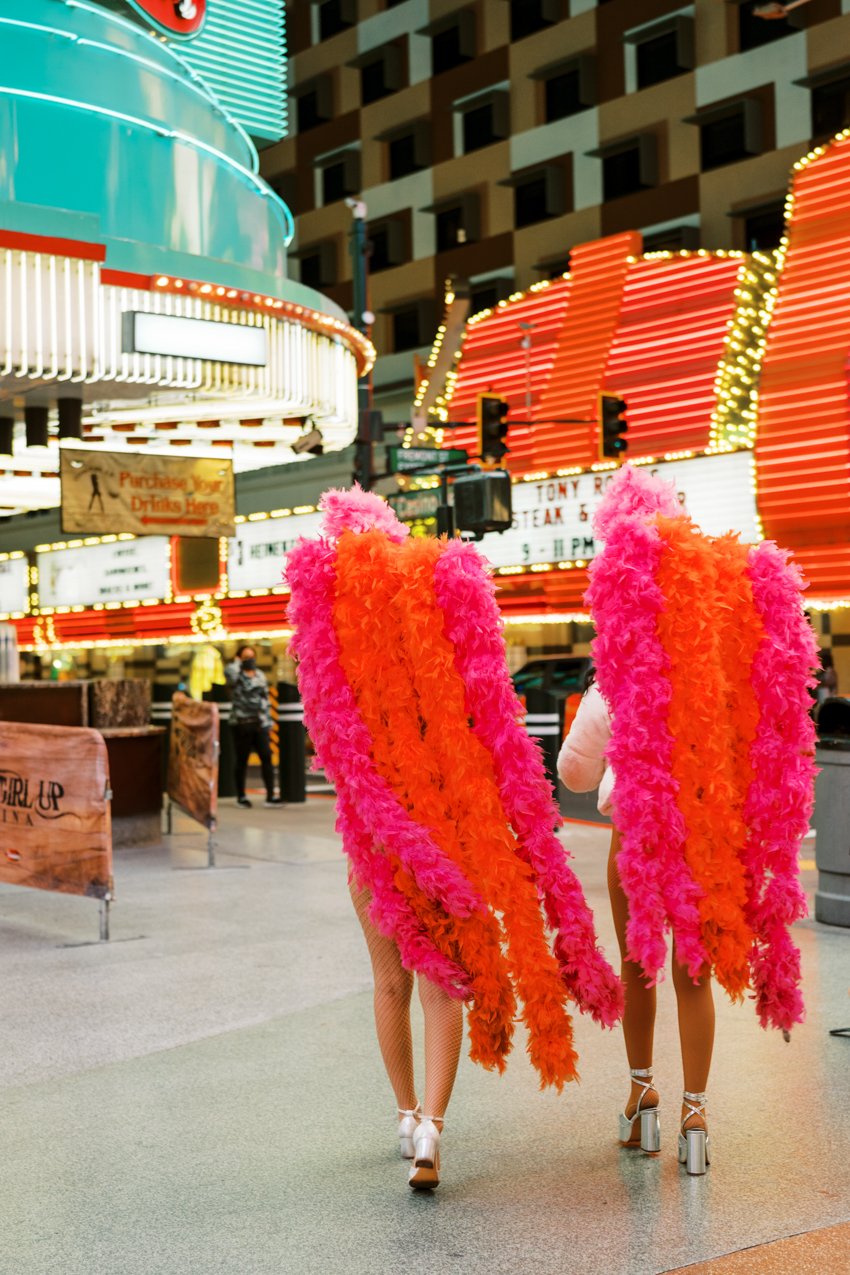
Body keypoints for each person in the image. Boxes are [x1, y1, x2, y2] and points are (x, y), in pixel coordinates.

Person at [558, 670, 714, 1175]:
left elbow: (574, 774)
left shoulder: (612, 685)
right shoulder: (711, 676)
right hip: (702, 839)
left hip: (633, 841)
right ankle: (695, 1118)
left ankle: (642, 1094)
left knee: (637, 965)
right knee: (694, 974)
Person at [225, 645, 282, 808]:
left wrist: (269, 722)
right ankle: (241, 796)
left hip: (260, 723)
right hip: (242, 723)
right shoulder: (235, 673)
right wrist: (237, 663)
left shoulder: (260, 675)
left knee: (266, 757)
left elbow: (265, 699)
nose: (249, 660)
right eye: (245, 657)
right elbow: (230, 674)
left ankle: (271, 796)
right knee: (242, 760)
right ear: (239, 658)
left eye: (252, 656)